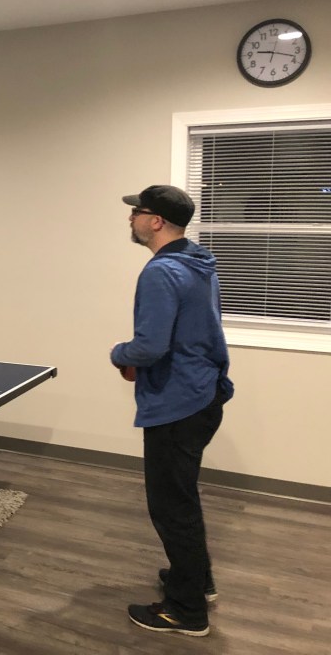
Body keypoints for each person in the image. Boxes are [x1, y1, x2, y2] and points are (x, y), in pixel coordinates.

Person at [110, 185, 234, 638]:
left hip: (178, 403)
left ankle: (186, 612)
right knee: (182, 498)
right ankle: (197, 581)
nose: (131, 218)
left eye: (137, 212)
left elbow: (149, 346)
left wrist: (118, 353)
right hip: (204, 393)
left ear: (156, 221)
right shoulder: (198, 262)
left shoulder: (161, 271)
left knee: (171, 506)